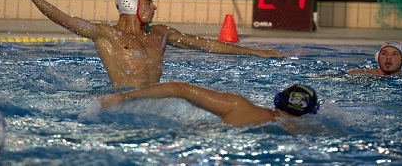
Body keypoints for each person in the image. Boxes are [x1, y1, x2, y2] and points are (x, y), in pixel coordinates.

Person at [10, 0, 287, 88]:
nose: (155, 8)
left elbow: (206, 45)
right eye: (149, 3)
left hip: (153, 99)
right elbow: (63, 19)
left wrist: (256, 53)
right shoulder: (106, 34)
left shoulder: (161, 33)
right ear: (132, 6)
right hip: (123, 99)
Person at [99, 82, 319, 127]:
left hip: (212, 145)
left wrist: (122, 96)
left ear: (278, 100)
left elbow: (179, 89)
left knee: (195, 128)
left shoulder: (238, 106)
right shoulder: (312, 132)